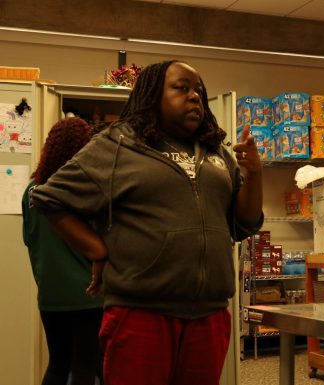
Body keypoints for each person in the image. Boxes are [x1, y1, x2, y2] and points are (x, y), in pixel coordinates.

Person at [31, 60, 264, 385]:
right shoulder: (118, 145)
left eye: (199, 90)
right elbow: (47, 198)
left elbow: (246, 224)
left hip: (208, 314)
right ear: (153, 94)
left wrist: (254, 175)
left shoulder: (217, 154)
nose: (195, 97)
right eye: (182, 88)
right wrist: (96, 249)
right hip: (140, 312)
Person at [22, 117, 103, 385]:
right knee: (85, 366)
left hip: (50, 293)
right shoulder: (82, 190)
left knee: (58, 364)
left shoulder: (32, 191)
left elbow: (30, 240)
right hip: (88, 294)